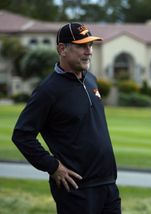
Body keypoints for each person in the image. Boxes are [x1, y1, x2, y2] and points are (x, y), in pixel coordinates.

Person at [12, 22, 121, 214]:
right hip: (76, 190)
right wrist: (53, 166)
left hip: (108, 184)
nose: (89, 51)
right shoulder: (47, 91)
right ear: (62, 49)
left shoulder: (90, 80)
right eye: (81, 46)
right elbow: (22, 135)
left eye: (90, 45)